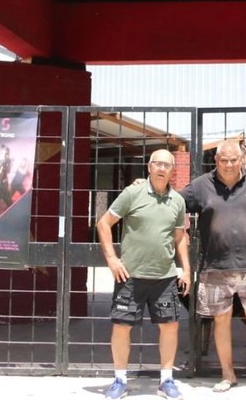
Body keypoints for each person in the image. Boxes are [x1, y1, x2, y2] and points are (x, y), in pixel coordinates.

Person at [179, 140, 246, 393]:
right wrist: (144, 186)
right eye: (223, 160)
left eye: (234, 159)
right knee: (220, 322)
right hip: (215, 267)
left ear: (242, 158)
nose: (229, 165)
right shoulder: (201, 186)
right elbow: (174, 202)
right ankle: (227, 374)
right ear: (216, 160)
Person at [97, 149, 191, 400]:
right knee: (121, 327)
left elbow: (180, 237)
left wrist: (186, 270)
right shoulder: (132, 193)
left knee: (170, 327)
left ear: (173, 170)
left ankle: (167, 380)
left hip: (165, 277)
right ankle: (119, 380)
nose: (162, 168)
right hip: (130, 277)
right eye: (157, 164)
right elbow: (103, 223)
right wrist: (112, 259)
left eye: (167, 165)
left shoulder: (178, 201)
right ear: (149, 167)